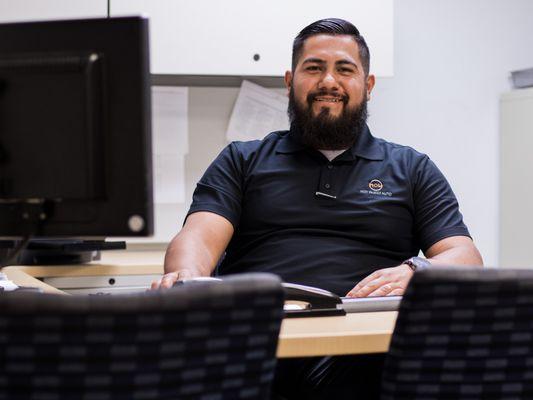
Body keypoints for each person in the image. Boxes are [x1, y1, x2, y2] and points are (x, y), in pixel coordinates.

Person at [153, 18, 483, 399]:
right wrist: (187, 276)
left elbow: (465, 256)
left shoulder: (411, 168)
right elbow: (199, 235)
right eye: (314, 68)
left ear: (368, 85)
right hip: (261, 341)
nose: (329, 81)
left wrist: (418, 270)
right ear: (290, 81)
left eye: (345, 69)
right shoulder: (242, 161)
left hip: (369, 349)